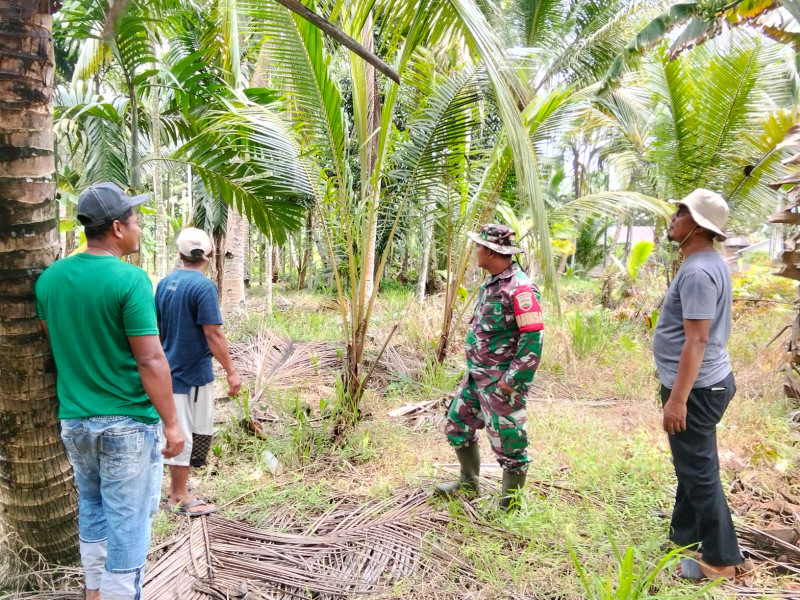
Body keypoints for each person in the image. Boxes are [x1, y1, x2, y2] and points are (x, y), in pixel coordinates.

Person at [35, 182, 184, 600]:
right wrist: (172, 424)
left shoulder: (50, 280)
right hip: (125, 424)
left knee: (94, 511)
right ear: (117, 228)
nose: (140, 229)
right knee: (129, 523)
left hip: (76, 423)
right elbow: (151, 360)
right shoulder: (130, 280)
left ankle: (94, 593)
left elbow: (56, 342)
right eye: (136, 221)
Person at [653, 188, 742, 581]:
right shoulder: (707, 262)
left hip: (698, 390)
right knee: (691, 466)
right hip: (707, 384)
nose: (673, 217)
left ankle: (722, 559)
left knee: (700, 473)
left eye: (681, 212)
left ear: (698, 226)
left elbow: (697, 340)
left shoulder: (698, 271)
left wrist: (677, 400)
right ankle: (682, 537)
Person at [435, 224, 544, 510]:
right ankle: (468, 483)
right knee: (456, 424)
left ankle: (511, 506)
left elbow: (533, 338)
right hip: (476, 377)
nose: (476, 252)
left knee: (510, 445)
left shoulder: (520, 288)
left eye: (479, 247)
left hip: (501, 382)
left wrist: (513, 380)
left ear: (492, 252)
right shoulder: (493, 282)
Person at [155, 228, 241, 517]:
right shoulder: (203, 287)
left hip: (169, 369)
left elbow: (157, 328)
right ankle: (178, 496)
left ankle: (177, 488)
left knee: (184, 432)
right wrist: (231, 371)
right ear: (211, 253)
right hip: (190, 373)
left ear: (180, 254)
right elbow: (213, 333)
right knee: (186, 434)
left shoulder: (165, 283)